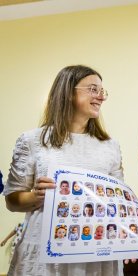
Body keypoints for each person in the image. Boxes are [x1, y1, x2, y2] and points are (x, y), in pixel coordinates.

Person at [3, 65, 125, 275]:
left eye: (102, 91)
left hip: (97, 249)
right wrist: (36, 197)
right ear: (68, 93)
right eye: (93, 89)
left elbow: (118, 198)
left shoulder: (110, 146)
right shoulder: (32, 141)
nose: (101, 97)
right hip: (46, 251)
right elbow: (11, 201)